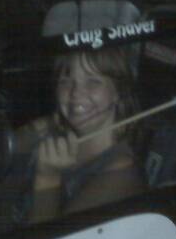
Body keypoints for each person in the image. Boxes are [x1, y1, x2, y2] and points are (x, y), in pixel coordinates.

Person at [25, 45, 145, 223]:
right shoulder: (53, 131)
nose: (75, 93)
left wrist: (48, 177)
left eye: (93, 81)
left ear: (118, 91)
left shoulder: (121, 173)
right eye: (66, 80)